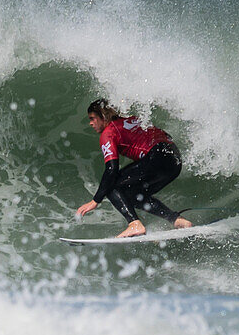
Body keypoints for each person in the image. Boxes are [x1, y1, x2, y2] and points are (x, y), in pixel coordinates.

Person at [75, 99, 193, 238]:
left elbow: (111, 169)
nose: (91, 123)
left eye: (93, 119)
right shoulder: (131, 121)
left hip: (157, 156)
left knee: (112, 186)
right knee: (133, 195)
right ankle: (177, 220)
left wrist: (95, 201)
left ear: (103, 116)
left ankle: (134, 224)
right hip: (174, 161)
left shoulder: (108, 132)